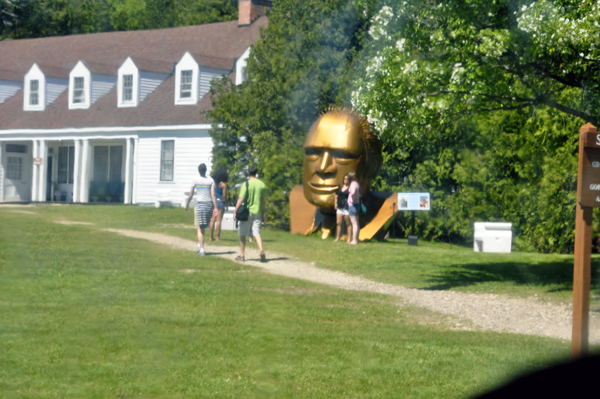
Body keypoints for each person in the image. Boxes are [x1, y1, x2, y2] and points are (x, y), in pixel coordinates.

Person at [233, 165, 267, 262]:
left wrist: (235, 211)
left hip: (247, 212)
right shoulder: (261, 184)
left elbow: (241, 199)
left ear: (248, 173)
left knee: (243, 233)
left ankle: (242, 256)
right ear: (256, 173)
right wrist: (263, 213)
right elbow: (263, 200)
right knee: (257, 233)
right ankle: (262, 251)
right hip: (258, 211)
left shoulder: (246, 184)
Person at [185, 163, 218, 256]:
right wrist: (215, 207)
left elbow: (191, 194)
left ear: (199, 170)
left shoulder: (195, 180)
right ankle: (200, 244)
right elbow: (213, 195)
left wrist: (187, 204)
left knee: (199, 227)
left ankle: (202, 248)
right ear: (206, 170)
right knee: (203, 227)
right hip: (208, 205)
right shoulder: (210, 180)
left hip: (200, 204)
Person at [209, 169, 228, 241]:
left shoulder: (213, 184)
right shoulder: (223, 185)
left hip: (214, 202)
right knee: (219, 221)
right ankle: (217, 237)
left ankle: (211, 237)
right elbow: (224, 195)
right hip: (221, 201)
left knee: (212, 220)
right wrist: (227, 204)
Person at [334, 173, 352, 242]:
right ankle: (337, 237)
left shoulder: (350, 188)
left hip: (347, 207)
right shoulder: (340, 186)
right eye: (344, 178)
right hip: (340, 207)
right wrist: (335, 203)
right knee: (338, 222)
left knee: (348, 223)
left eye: (347, 179)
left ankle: (349, 239)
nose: (345, 180)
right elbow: (336, 195)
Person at [347, 171, 360, 245]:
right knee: (357, 223)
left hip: (353, 205)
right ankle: (356, 239)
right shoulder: (356, 184)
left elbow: (353, 192)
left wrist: (352, 199)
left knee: (354, 224)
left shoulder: (352, 184)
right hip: (357, 204)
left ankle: (354, 240)